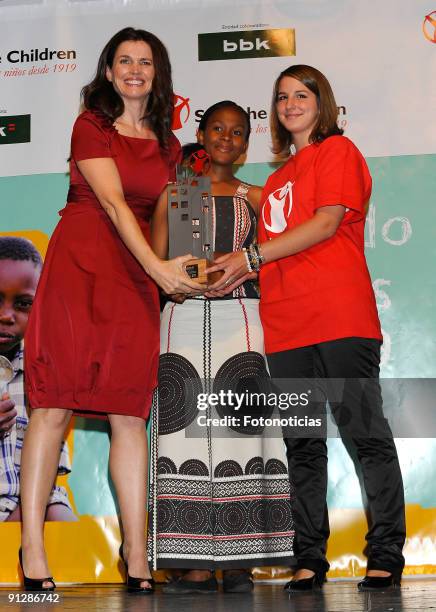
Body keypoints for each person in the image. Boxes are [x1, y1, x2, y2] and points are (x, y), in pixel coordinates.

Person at [207, 66, 406, 592]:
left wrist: (247, 256)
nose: (290, 104)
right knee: (303, 444)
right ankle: (310, 558)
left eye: (301, 94)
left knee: (366, 436)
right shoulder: (274, 181)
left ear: (323, 102)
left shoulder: (340, 152)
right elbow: (265, 245)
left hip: (341, 318)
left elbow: (323, 224)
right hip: (287, 326)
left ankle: (386, 551)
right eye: (281, 97)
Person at [19, 27, 202, 593]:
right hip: (82, 266)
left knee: (130, 414)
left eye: (145, 62)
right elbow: (115, 204)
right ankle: (32, 548)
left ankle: (138, 554)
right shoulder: (89, 125)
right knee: (53, 407)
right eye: (124, 60)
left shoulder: (172, 146)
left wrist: (190, 268)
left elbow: (178, 220)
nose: (134, 70)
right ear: (107, 70)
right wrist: (159, 269)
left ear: (159, 74)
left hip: (135, 277)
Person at [150, 101, 294, 594]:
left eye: (237, 132)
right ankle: (190, 564)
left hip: (243, 320)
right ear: (203, 134)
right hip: (182, 321)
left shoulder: (259, 197)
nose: (227, 138)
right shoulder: (177, 193)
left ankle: (239, 562)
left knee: (242, 433)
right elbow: (155, 264)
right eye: (218, 129)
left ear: (246, 141)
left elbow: (278, 259)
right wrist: (176, 284)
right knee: (181, 430)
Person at [0, 237, 76, 523]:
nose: (6, 315)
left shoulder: (44, 370)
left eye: (22, 304)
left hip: (34, 498)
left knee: (60, 517)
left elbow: (50, 471)